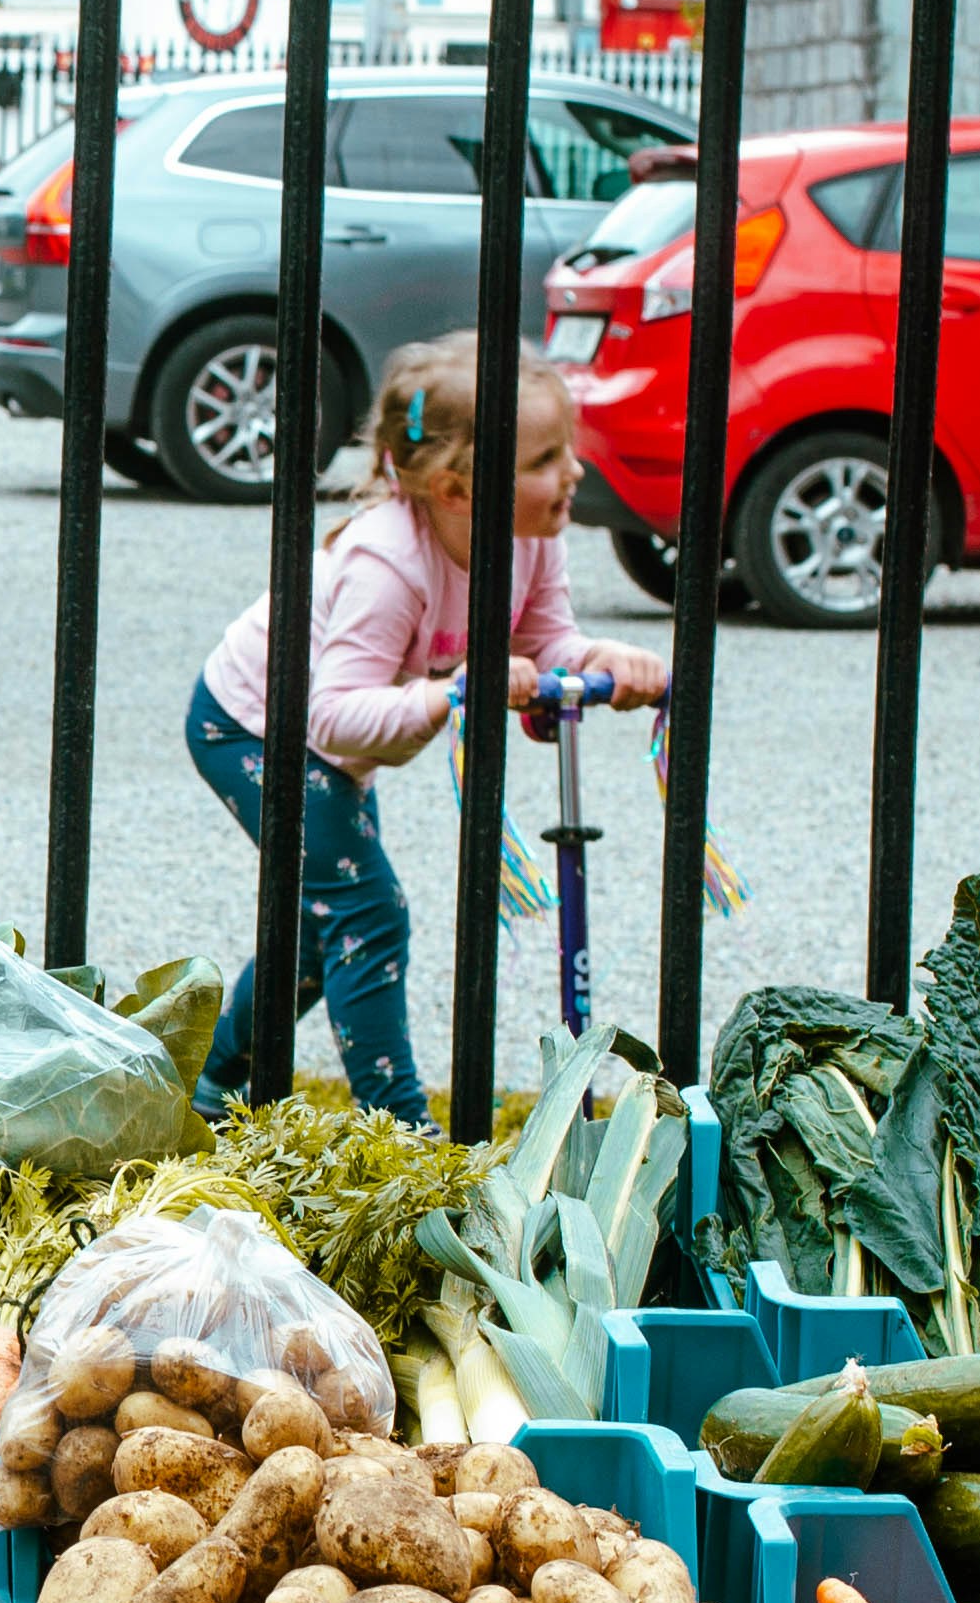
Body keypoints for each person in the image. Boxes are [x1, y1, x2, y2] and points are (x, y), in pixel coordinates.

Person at [184, 341, 665, 1119]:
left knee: (323, 924)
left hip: (332, 743)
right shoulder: (388, 564)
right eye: (545, 458)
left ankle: (209, 1082)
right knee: (368, 912)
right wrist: (449, 696)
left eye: (566, 449)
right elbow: (334, 715)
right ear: (454, 488)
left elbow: (546, 646)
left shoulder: (532, 541)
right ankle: (398, 1126)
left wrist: (599, 660)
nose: (573, 471)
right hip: (252, 726)